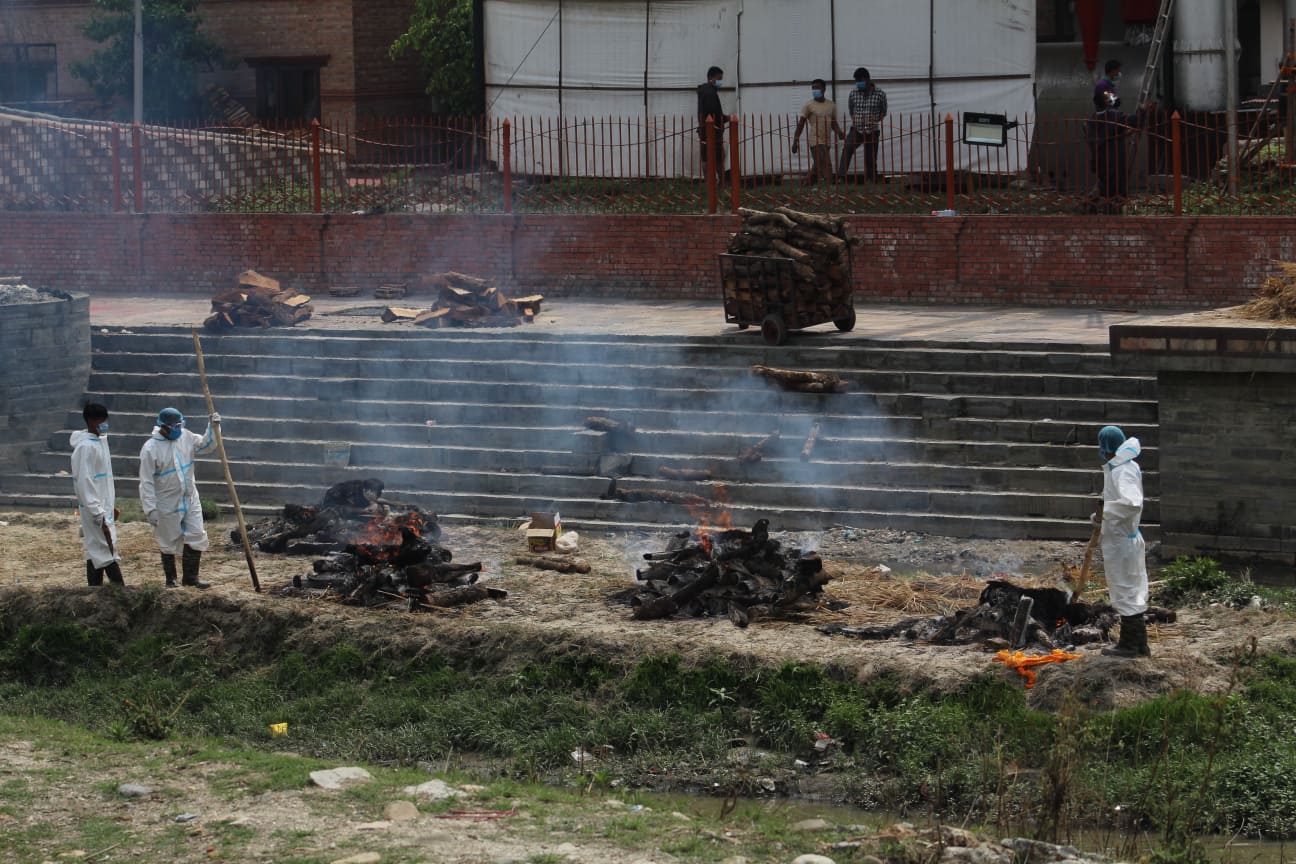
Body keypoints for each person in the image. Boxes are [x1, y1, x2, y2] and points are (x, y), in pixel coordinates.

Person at [139, 407, 219, 589]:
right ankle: (171, 580)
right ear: (164, 427)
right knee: (168, 541)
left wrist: (213, 427)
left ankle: (190, 578)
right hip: (166, 502)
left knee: (197, 534)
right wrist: (150, 509)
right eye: (175, 426)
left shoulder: (186, 436)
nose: (179, 428)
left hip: (190, 497)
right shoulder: (150, 449)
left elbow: (207, 445)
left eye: (181, 424)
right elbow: (146, 483)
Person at [1096, 425, 1150, 658]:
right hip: (1122, 539)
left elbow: (1131, 503)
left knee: (1126, 591)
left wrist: (1105, 510)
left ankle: (1131, 645)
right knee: (1130, 591)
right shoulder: (1123, 466)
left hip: (1122, 543)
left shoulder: (1122, 471)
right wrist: (1100, 516)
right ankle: (1139, 645)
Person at [1085, 60, 1154, 214]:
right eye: (1117, 71)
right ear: (1113, 71)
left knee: (1107, 182)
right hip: (1111, 152)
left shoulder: (1094, 118)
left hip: (1104, 150)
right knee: (1112, 182)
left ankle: (1102, 205)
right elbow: (1116, 104)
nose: (1119, 74)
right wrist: (1142, 111)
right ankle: (1110, 206)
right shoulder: (1103, 87)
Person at [71, 402, 124, 587]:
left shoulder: (100, 442)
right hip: (95, 509)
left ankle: (94, 590)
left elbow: (103, 480)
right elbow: (85, 483)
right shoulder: (85, 447)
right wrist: (97, 511)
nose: (104, 424)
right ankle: (120, 588)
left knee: (96, 549)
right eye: (102, 421)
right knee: (106, 549)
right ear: (92, 421)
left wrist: (109, 506)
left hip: (103, 506)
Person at [837, 67, 887, 182]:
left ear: (868, 79)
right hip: (856, 129)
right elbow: (851, 109)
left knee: (871, 156)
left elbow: (883, 111)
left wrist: (876, 119)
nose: (858, 83)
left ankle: (871, 179)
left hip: (872, 130)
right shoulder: (853, 93)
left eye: (860, 80)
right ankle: (841, 177)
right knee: (847, 148)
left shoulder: (880, 94)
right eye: (857, 81)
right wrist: (856, 119)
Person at [791, 78, 845, 185]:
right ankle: (830, 185)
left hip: (827, 139)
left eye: (817, 87)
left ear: (824, 89)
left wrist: (839, 132)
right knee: (826, 163)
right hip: (815, 139)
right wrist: (795, 140)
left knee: (818, 164)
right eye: (813, 88)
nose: (815, 90)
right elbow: (801, 124)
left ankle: (806, 182)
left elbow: (833, 122)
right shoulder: (809, 105)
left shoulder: (831, 105)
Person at [697, 66, 727, 184]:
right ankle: (721, 182)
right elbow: (713, 111)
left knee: (706, 157)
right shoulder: (709, 92)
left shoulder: (704, 90)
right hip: (712, 130)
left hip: (704, 129)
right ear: (711, 78)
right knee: (718, 157)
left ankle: (709, 182)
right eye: (719, 78)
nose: (720, 81)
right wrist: (725, 119)